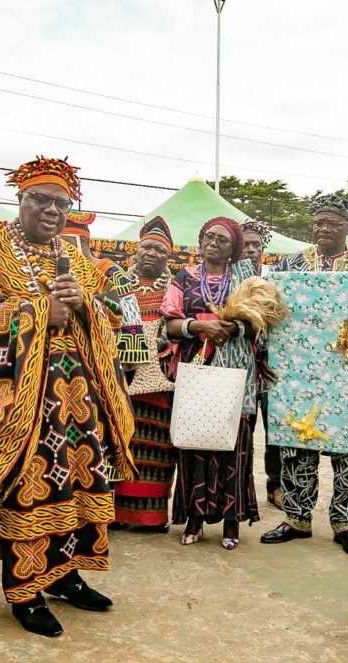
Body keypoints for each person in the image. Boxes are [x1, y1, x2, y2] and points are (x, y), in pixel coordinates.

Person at [0, 157, 134, 637]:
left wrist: (86, 305)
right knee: (30, 487)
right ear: (21, 199)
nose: (52, 210)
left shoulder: (75, 255)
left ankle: (65, 576)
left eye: (61, 204)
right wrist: (36, 313)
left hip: (76, 398)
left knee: (75, 484)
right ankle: (25, 591)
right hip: (22, 405)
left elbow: (116, 312)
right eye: (41, 200)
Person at [260, 195, 348, 557]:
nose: (324, 228)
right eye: (319, 222)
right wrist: (267, 353)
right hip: (299, 373)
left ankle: (347, 523)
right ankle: (296, 518)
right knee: (297, 444)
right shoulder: (291, 264)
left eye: (333, 222)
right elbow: (271, 310)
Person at [162, 217, 260, 549]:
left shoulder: (246, 277)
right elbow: (169, 323)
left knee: (234, 444)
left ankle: (232, 521)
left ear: (234, 249)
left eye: (222, 240)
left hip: (235, 371)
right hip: (196, 368)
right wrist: (200, 326)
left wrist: (234, 328)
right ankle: (195, 518)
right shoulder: (184, 277)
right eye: (208, 236)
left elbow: (263, 322)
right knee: (195, 441)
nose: (213, 243)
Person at [113, 217, 177, 531]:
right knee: (120, 442)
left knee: (158, 447)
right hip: (121, 377)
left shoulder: (174, 288)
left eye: (160, 250)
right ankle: (117, 513)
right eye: (147, 247)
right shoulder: (117, 284)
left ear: (168, 257)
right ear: (136, 251)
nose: (152, 253)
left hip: (160, 382)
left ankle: (152, 517)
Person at [61, 209, 150, 370]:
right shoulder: (64, 270)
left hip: (105, 358)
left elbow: (130, 319)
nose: (62, 247)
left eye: (65, 242)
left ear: (83, 241)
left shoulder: (110, 272)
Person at [241, 218, 282, 508]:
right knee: (243, 429)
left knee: (275, 429)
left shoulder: (275, 279)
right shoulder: (230, 279)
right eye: (246, 245)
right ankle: (242, 487)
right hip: (242, 365)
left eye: (256, 245)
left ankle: (275, 485)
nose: (252, 250)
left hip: (271, 367)